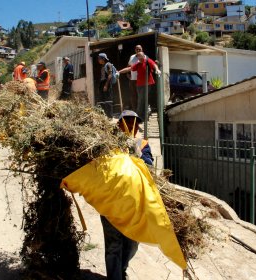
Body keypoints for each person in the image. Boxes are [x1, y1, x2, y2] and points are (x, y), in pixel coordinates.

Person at [101, 110, 153, 280]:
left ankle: (121, 270)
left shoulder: (142, 144)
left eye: (135, 123)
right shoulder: (108, 143)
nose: (132, 126)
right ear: (119, 125)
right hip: (111, 202)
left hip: (134, 202)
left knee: (132, 243)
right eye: (128, 123)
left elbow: (149, 168)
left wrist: (137, 157)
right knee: (114, 245)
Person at [118, 52, 161, 121]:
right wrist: (119, 72)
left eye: (141, 57)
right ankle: (142, 115)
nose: (140, 59)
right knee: (141, 100)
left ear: (143, 56)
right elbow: (129, 69)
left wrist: (157, 70)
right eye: (138, 57)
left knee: (143, 100)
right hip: (140, 85)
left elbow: (154, 65)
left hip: (148, 84)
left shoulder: (147, 61)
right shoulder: (138, 64)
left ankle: (140, 116)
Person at [127, 45, 144, 111]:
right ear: (135, 50)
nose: (138, 50)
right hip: (132, 79)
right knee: (133, 95)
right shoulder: (132, 57)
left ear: (142, 50)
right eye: (137, 49)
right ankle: (135, 110)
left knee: (140, 96)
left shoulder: (144, 57)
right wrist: (127, 74)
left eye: (139, 49)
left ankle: (141, 110)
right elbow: (128, 66)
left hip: (141, 80)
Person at [97, 53, 114, 118]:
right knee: (102, 100)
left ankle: (110, 116)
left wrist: (106, 85)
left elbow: (110, 75)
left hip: (107, 83)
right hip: (102, 83)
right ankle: (104, 116)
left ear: (103, 58)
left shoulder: (108, 64)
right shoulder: (102, 66)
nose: (98, 60)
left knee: (108, 100)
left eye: (99, 58)